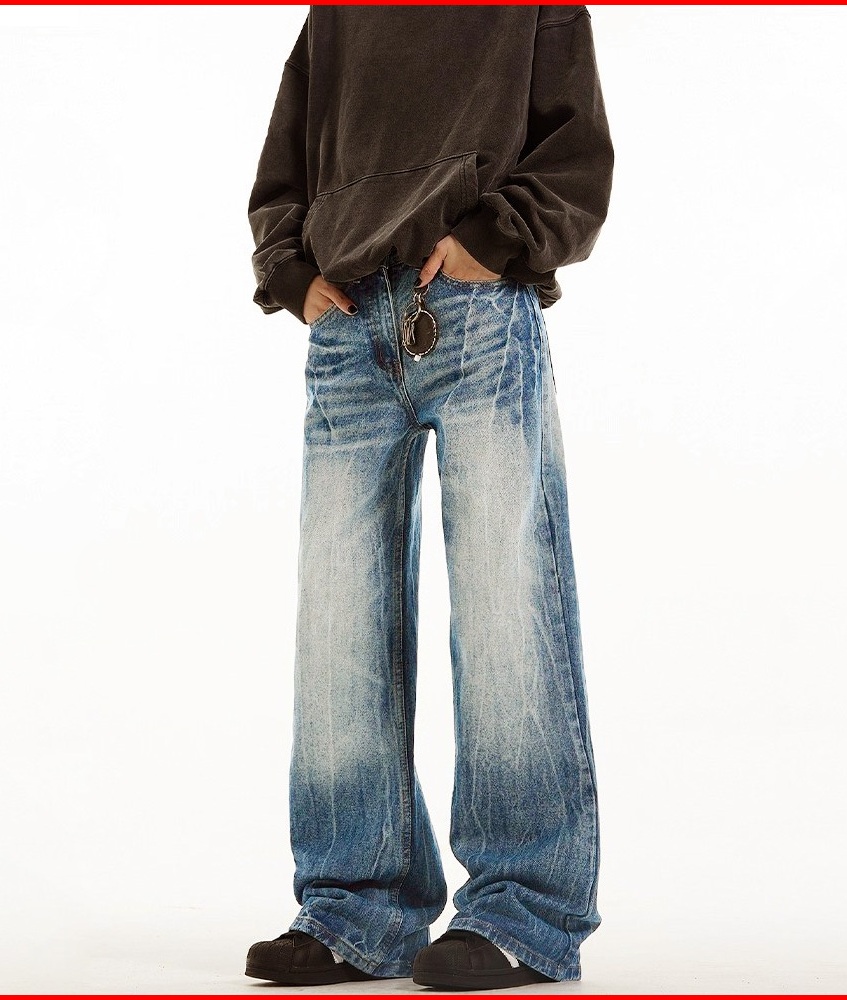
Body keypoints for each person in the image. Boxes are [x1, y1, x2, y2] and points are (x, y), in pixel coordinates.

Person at [243, 5, 614, 991]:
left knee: (504, 605)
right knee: (339, 623)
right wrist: (289, 266)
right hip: (346, 322)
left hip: (477, 308)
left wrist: (496, 237)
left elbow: (577, 155)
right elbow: (283, 161)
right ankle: (354, 907)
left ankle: (525, 910)